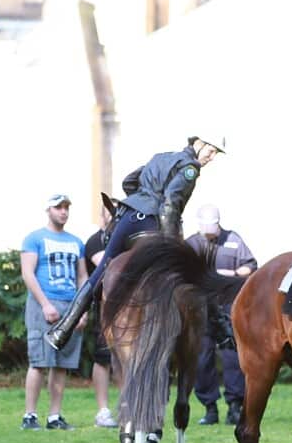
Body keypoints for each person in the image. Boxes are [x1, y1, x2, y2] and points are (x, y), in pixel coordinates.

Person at [45, 134, 226, 351]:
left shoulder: (161, 157)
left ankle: (61, 331)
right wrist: (170, 248)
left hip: (127, 219)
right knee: (196, 274)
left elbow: (129, 181)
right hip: (153, 223)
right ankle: (223, 333)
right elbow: (169, 206)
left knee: (100, 273)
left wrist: (140, 201)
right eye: (212, 150)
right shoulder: (190, 168)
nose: (212, 156)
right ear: (199, 143)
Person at [20, 193, 87, 432]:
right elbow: (28, 273)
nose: (64, 212)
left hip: (69, 305)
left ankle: (54, 416)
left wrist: (81, 310)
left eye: (67, 207)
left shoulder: (76, 242)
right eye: (59, 207)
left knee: (62, 364)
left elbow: (82, 276)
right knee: (39, 361)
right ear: (48, 210)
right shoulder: (34, 239)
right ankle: (30, 415)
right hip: (43, 305)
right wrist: (45, 304)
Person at [185, 204, 256, 426]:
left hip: (228, 308)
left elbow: (250, 266)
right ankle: (210, 408)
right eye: (206, 226)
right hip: (200, 309)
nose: (210, 230)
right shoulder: (191, 245)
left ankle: (235, 407)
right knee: (201, 358)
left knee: (233, 357)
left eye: (213, 226)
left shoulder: (233, 239)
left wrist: (233, 274)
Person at [82, 193, 118, 428]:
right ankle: (103, 410)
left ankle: (128, 407)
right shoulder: (96, 240)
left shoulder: (126, 241)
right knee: (103, 358)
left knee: (126, 360)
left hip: (129, 307)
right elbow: (107, 264)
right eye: (111, 211)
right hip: (106, 308)